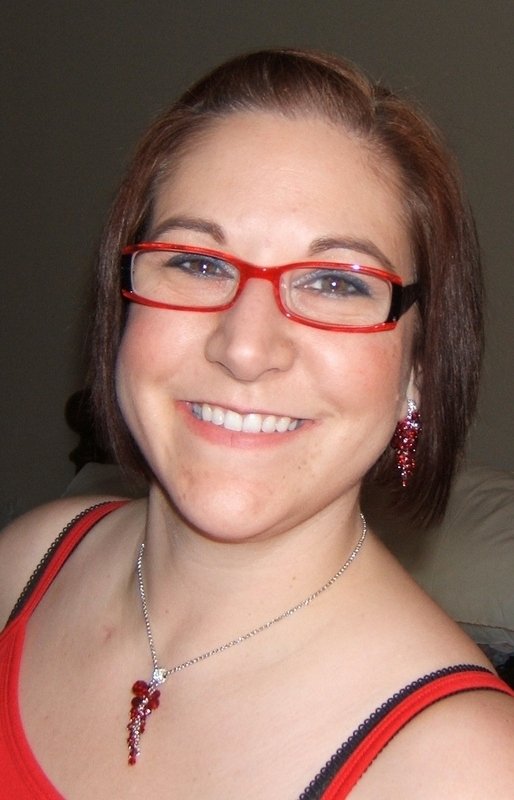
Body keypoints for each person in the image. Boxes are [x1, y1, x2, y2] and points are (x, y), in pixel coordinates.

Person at [1, 48, 513, 799]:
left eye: (335, 282)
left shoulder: (468, 771)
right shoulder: (26, 565)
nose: (244, 348)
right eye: (197, 263)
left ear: (419, 369)